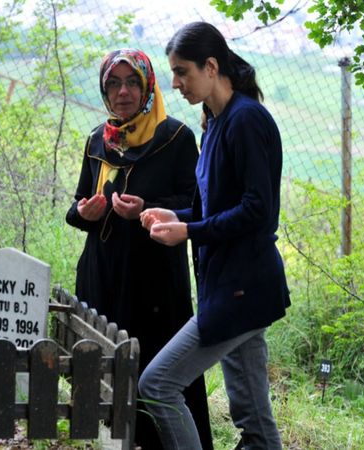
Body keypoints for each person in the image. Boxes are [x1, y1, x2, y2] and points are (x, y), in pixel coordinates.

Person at [138, 22, 291, 450]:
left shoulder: (246, 120)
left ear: (211, 66)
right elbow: (216, 210)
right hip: (230, 286)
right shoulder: (217, 121)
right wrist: (176, 216)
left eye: (182, 71)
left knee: (157, 384)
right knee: (256, 426)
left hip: (242, 289)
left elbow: (258, 212)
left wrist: (189, 230)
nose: (176, 83)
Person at [65, 48, 213, 450]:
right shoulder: (99, 139)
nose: (123, 92)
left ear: (148, 86)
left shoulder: (176, 138)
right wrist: (86, 212)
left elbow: (197, 208)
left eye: (132, 82)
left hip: (154, 281)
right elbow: (76, 208)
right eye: (113, 83)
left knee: (157, 369)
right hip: (102, 274)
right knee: (105, 370)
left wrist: (147, 210)